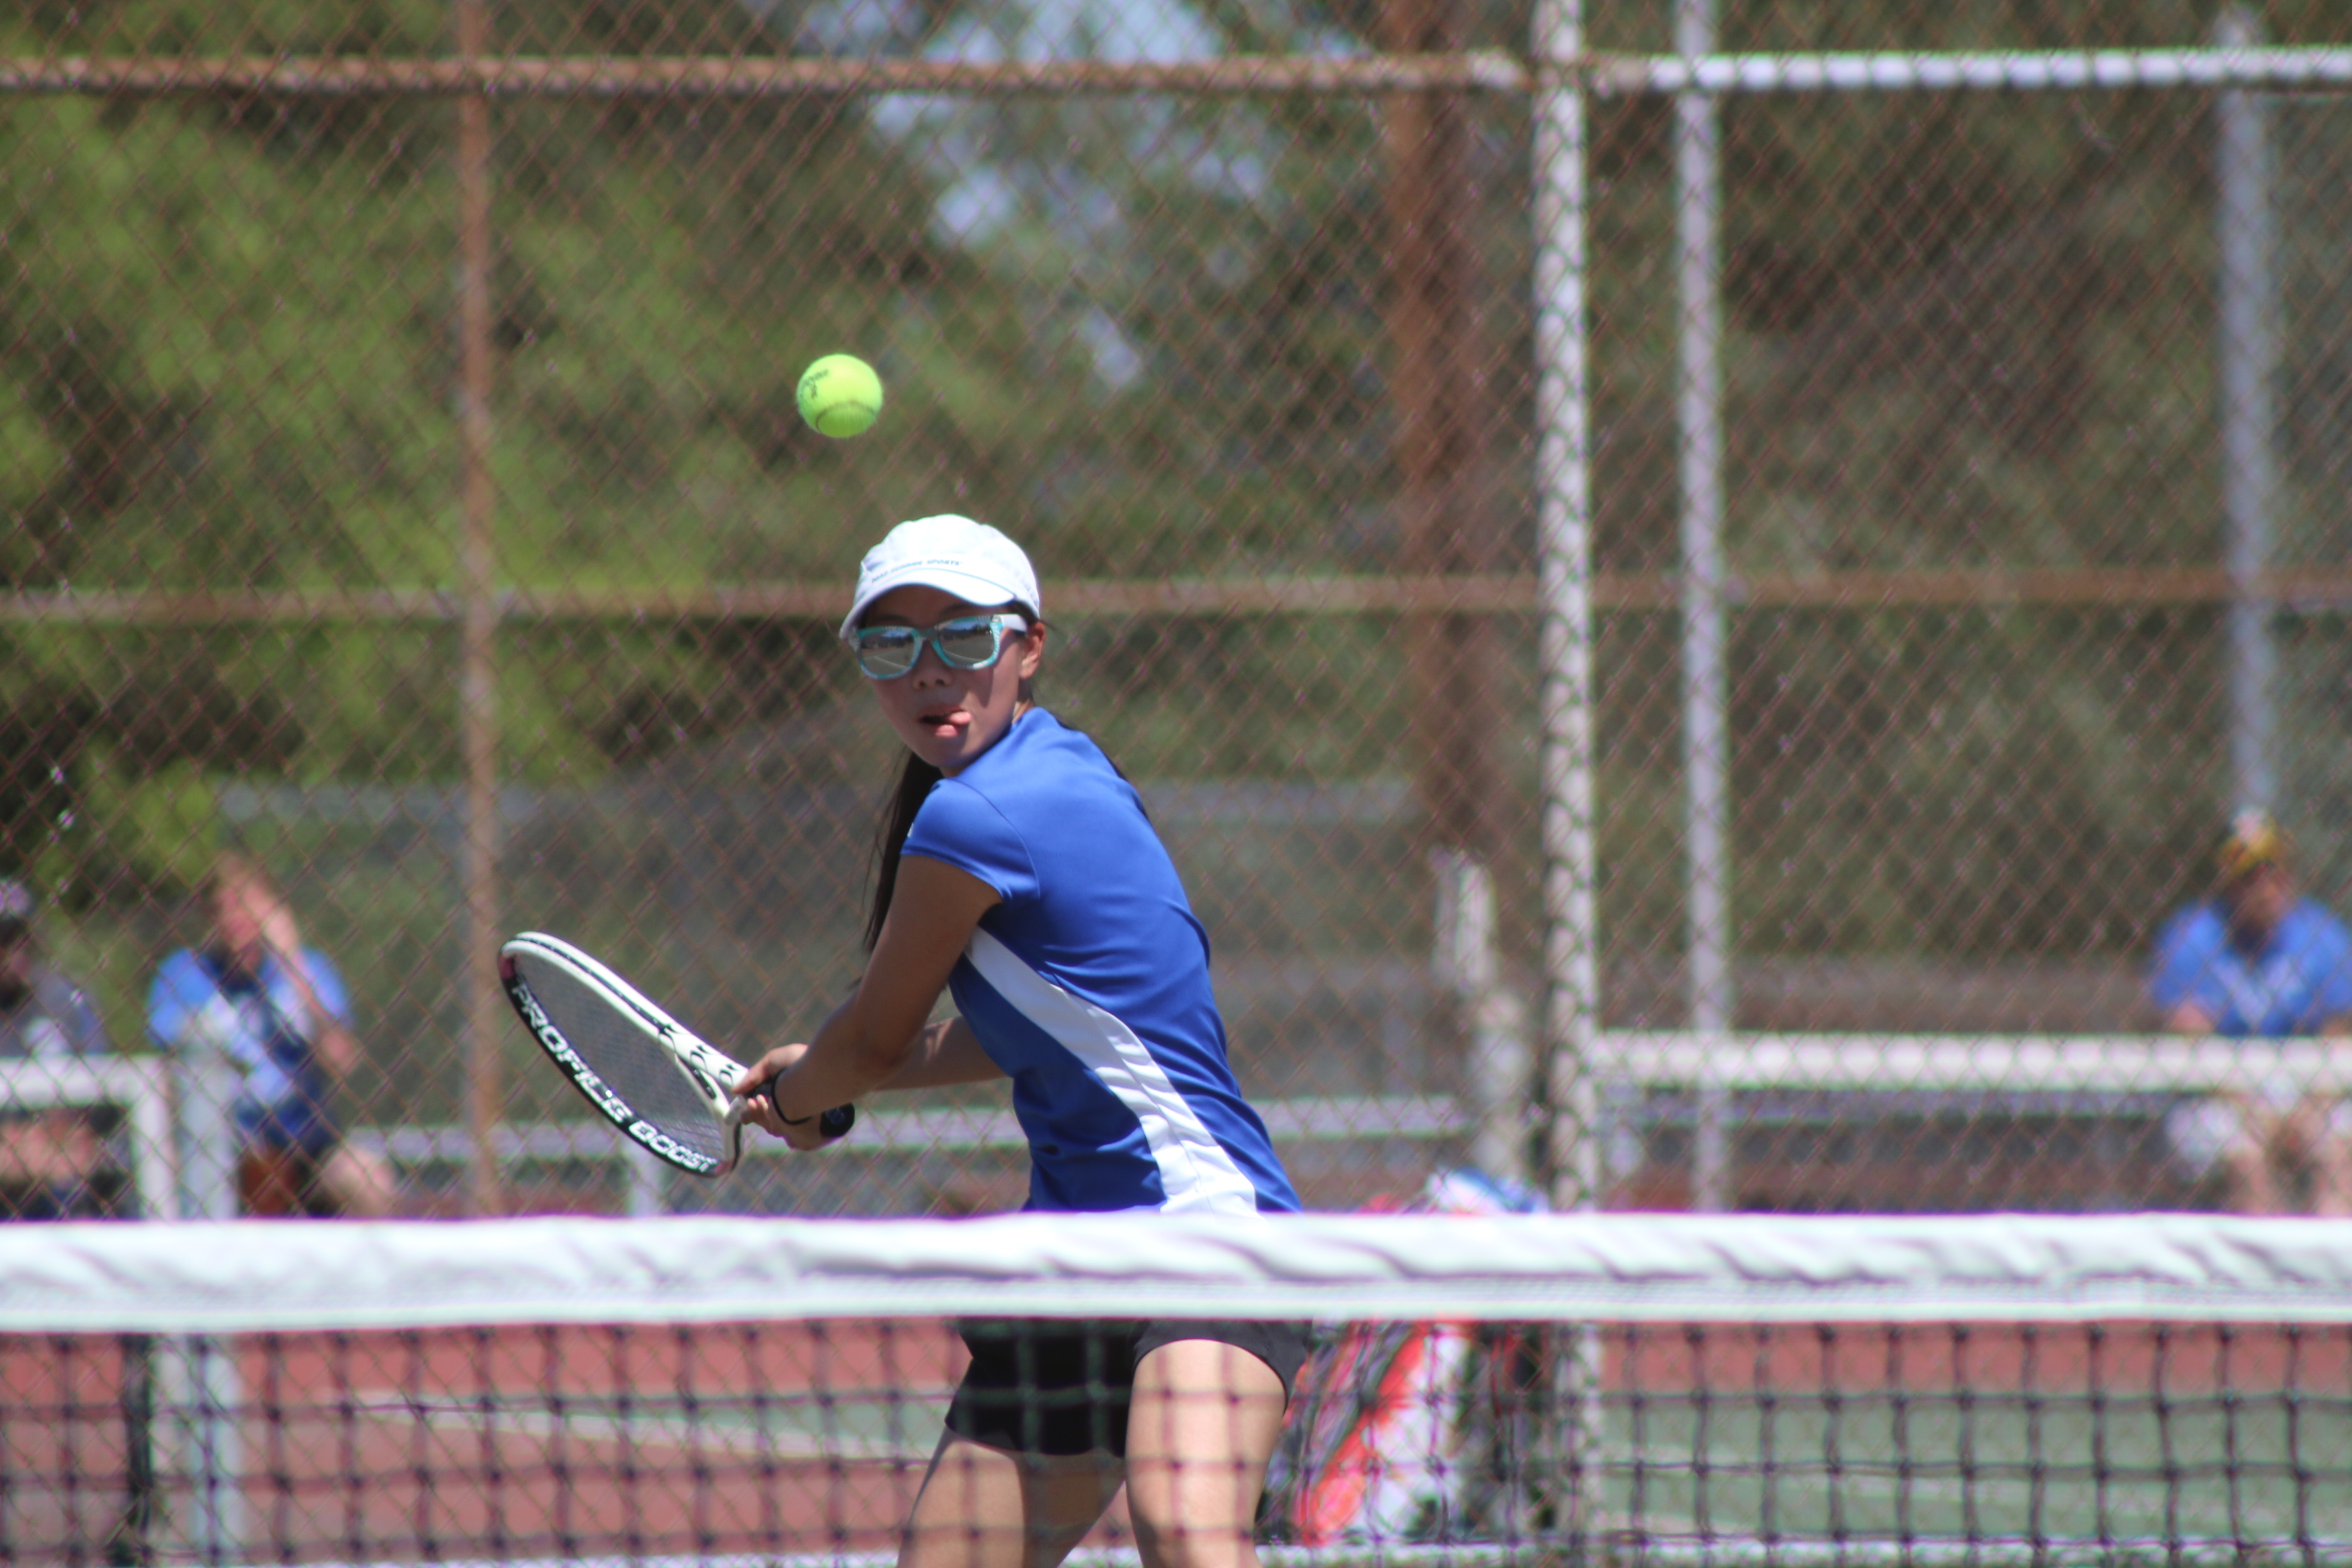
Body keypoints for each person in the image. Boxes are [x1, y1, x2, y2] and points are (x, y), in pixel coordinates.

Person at [736, 514, 1304, 1568]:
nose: (928, 671)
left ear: (1027, 645)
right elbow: (1040, 1033)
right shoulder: (1059, 767)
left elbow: (871, 1038)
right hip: (1072, 1264)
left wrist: (815, 1094)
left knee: (1184, 1527)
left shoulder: (982, 815)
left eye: (961, 636)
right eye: (891, 646)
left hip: (1207, 1236)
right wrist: (826, 1078)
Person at [147, 852, 397, 1217]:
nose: (234, 920)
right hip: (222, 1149)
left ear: (272, 911)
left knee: (368, 1178)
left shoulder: (309, 969)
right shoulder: (184, 975)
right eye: (222, 909)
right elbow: (163, 1074)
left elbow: (342, 1060)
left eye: (246, 906)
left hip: (305, 1148)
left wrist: (292, 962)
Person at [2150, 809, 2352, 1215]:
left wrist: (2310, 1109)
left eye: (2274, 872)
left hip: (2306, 1087)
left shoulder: (2323, 933)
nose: (2265, 888)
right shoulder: (2193, 937)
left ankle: (2332, 1254)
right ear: (2226, 882)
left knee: (2339, 1149)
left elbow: (2339, 1038)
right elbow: (2194, 1045)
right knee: (2245, 1155)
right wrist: (2255, 1113)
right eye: (2248, 876)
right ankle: (2269, 1257)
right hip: (2221, 1094)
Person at [0, 878, 114, 1219]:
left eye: (20, 937)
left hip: (64, 1197)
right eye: (4, 939)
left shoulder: (69, 1004)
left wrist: (36, 1147)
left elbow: (92, 1126)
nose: (14, 950)